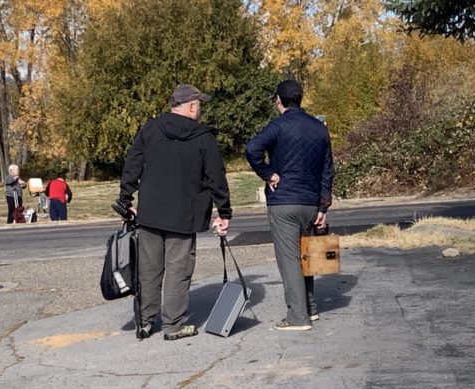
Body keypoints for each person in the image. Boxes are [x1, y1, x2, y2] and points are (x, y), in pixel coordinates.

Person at [116, 84, 232, 341]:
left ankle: (145, 321)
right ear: (191, 106)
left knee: (149, 269)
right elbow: (216, 177)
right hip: (185, 215)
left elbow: (132, 165)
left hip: (150, 212)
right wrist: (224, 211)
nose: (200, 110)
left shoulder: (150, 129)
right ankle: (173, 324)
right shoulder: (203, 137)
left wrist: (126, 199)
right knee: (178, 270)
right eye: (199, 105)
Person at [245, 79, 334, 331]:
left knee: (289, 259)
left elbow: (252, 149)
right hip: (310, 203)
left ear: (279, 100)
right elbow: (328, 170)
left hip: (284, 201)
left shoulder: (278, 126)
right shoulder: (320, 129)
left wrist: (267, 173)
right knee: (307, 254)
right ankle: (311, 308)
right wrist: (323, 207)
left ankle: (297, 317)